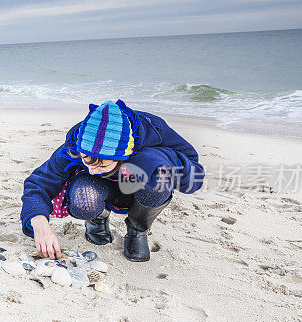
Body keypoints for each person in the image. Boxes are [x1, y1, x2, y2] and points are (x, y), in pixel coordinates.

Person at [20, 99, 204, 262]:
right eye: (86, 161)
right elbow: (39, 182)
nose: (92, 171)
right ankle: (97, 219)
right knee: (85, 195)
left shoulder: (154, 130)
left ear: (123, 156)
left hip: (140, 188)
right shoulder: (79, 140)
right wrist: (39, 222)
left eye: (101, 166)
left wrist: (162, 160)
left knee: (160, 177)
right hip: (98, 189)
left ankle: (137, 230)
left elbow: (196, 177)